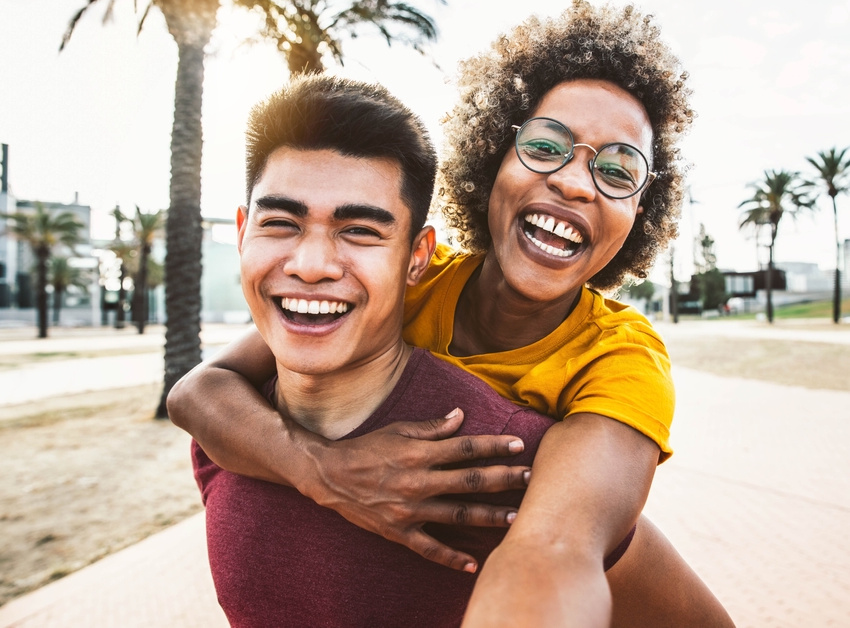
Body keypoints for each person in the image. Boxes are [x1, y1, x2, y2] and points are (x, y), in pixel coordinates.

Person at [171, 0, 733, 627]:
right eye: (547, 146)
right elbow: (199, 392)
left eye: (618, 169)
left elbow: (555, 549)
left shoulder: (622, 358)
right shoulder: (406, 281)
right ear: (493, 158)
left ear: (640, 215)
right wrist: (326, 471)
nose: (576, 183)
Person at [197, 73, 600, 626]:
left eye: (360, 230)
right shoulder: (226, 431)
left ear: (417, 258)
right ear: (243, 233)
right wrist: (322, 470)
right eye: (281, 223)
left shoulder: (506, 460)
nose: (310, 266)